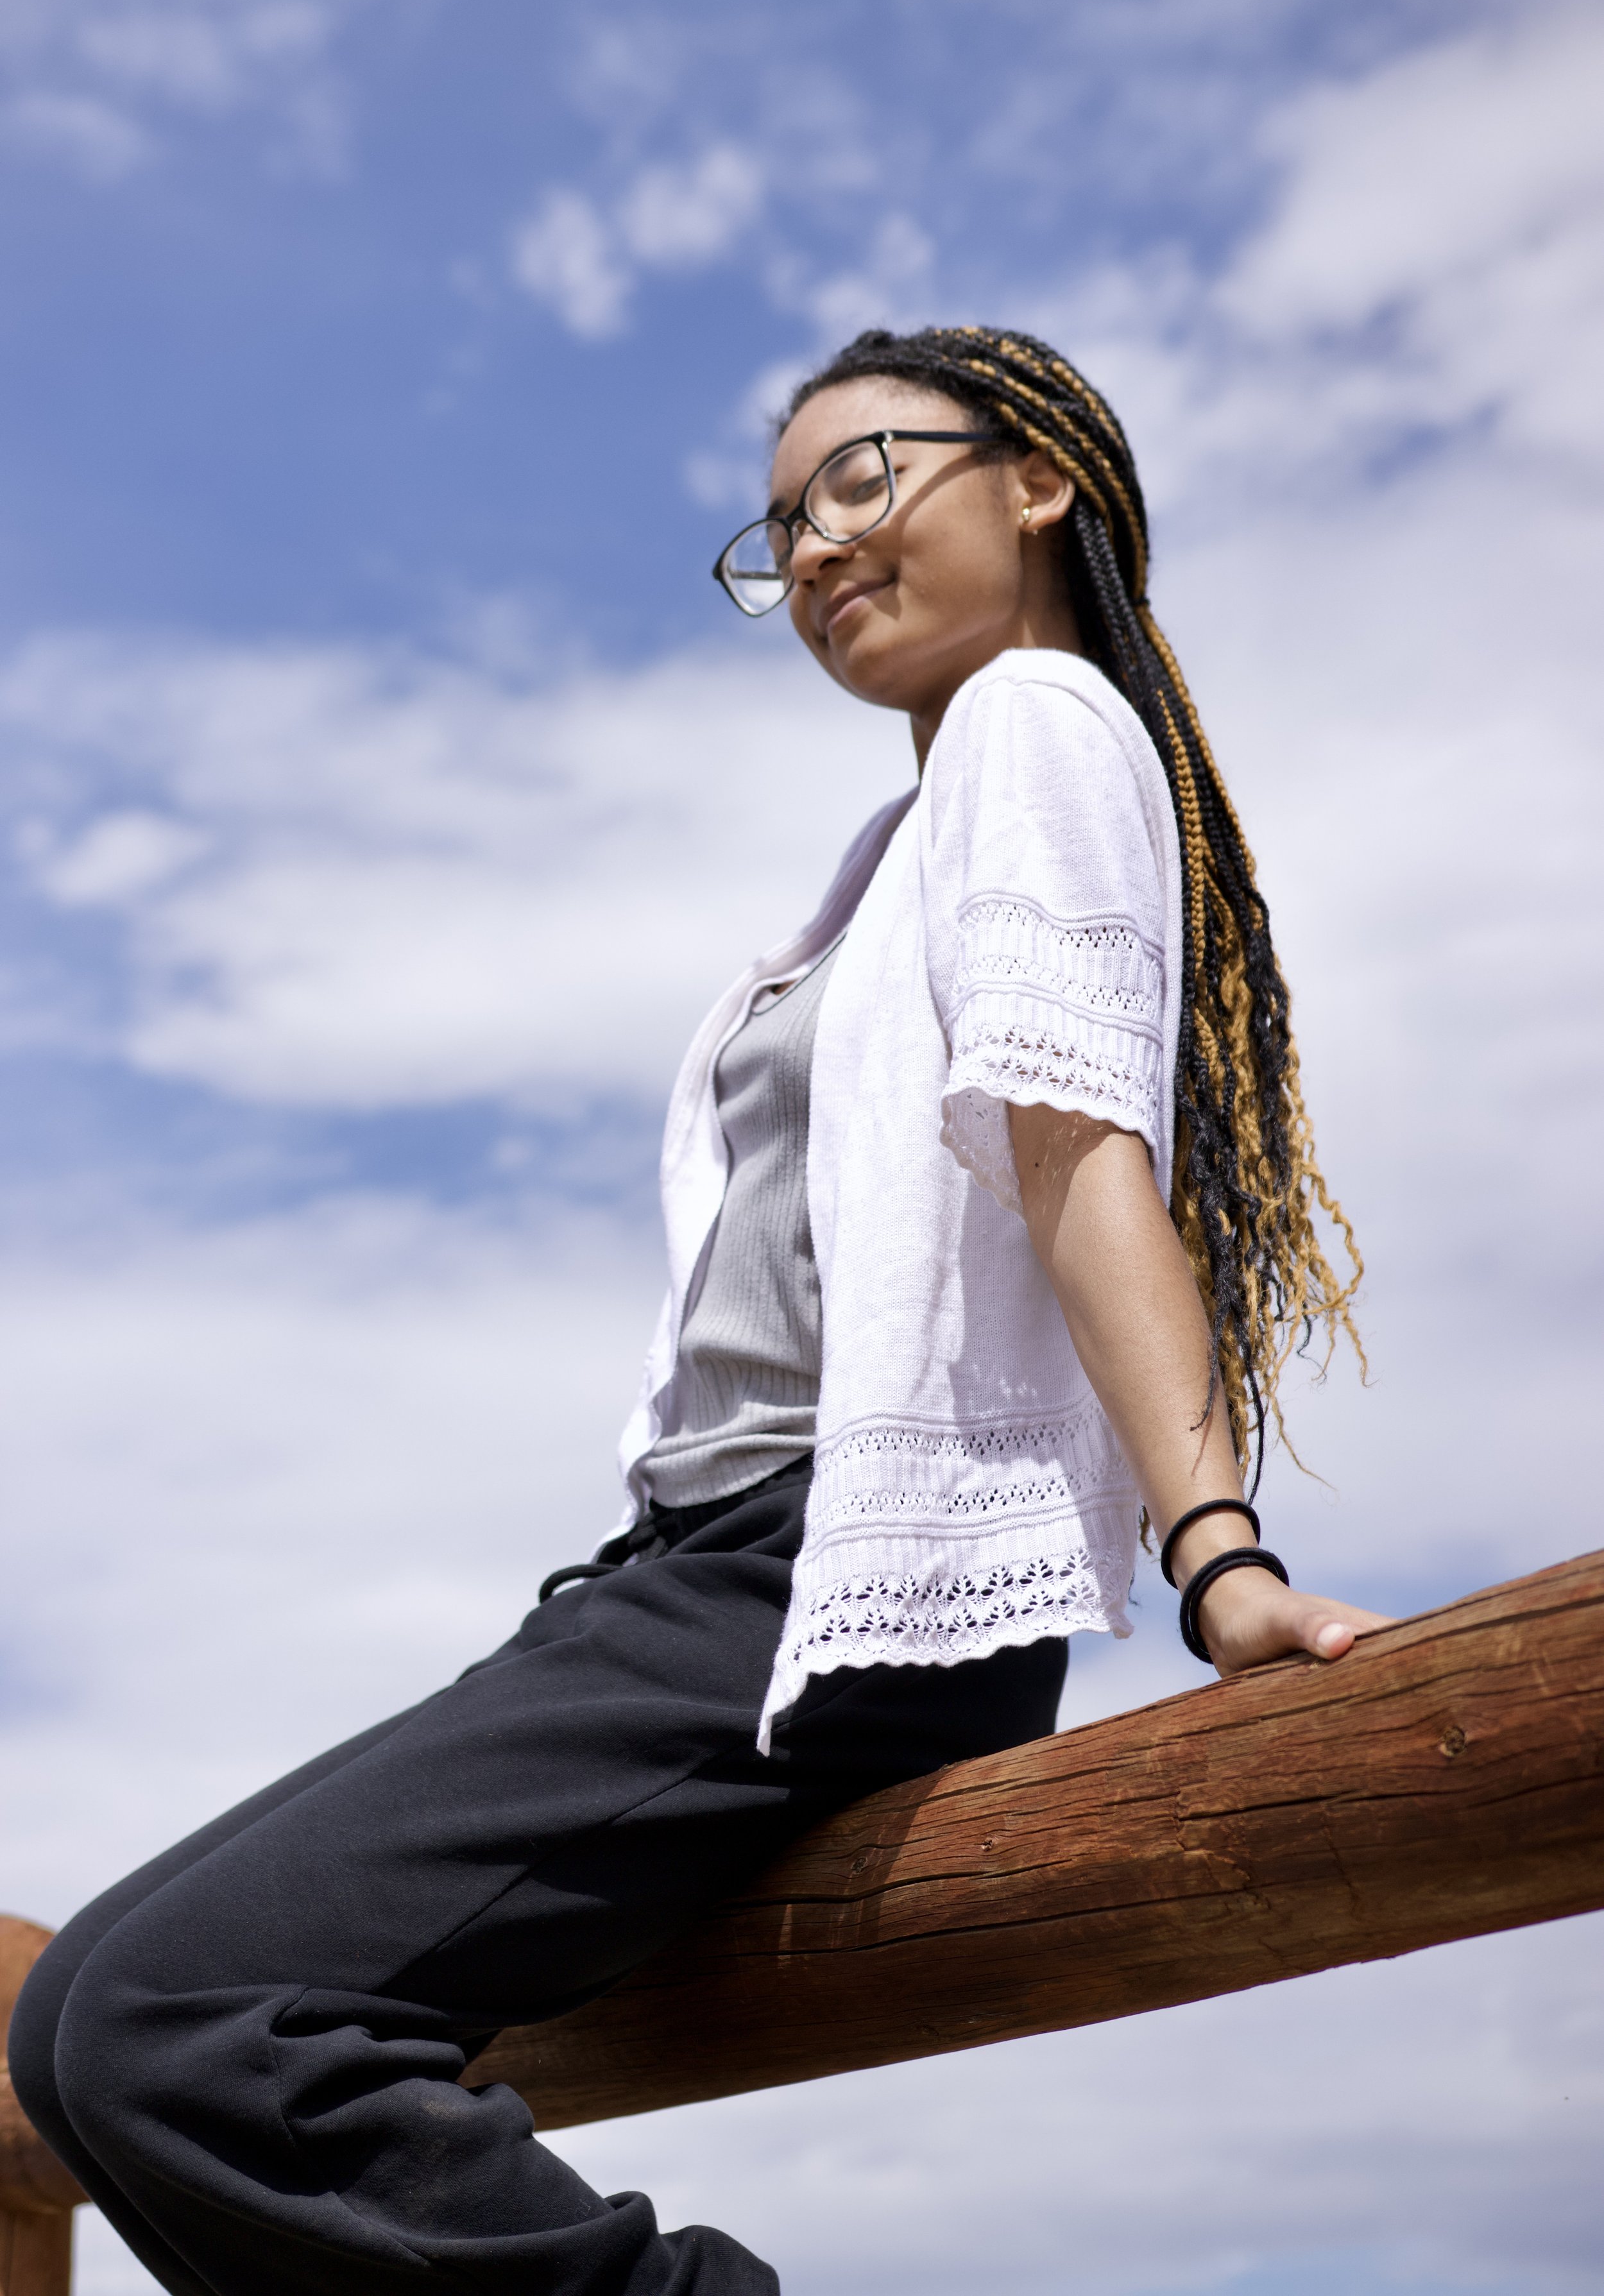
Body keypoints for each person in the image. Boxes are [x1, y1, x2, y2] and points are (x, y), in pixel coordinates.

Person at [10, 325, 1383, 2296]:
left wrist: (1215, 1555)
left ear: (1041, 478)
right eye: (776, 529)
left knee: (172, 2024)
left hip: (826, 1574)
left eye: (860, 480)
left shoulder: (1034, 723)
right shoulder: (884, 856)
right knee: (74, 2035)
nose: (813, 548)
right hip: (705, 1572)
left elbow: (1082, 1153)